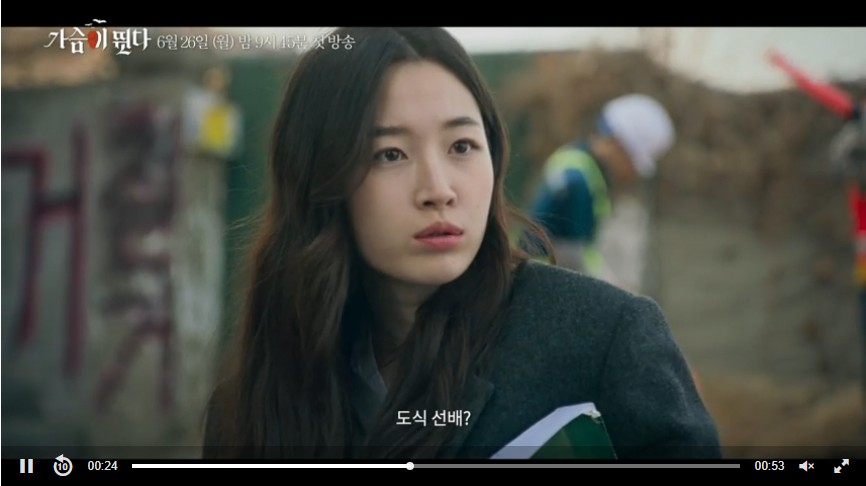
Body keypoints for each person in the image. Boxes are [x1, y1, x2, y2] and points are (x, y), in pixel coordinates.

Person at [202, 27, 720, 460]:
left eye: (462, 146)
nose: (439, 189)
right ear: (320, 181)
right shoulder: (245, 411)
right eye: (389, 154)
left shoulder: (603, 339)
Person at [526, 94, 675, 293]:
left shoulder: (587, 170)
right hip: (546, 289)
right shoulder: (577, 178)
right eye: (632, 160)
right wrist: (606, 294)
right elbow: (571, 254)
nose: (632, 172)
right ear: (618, 143)